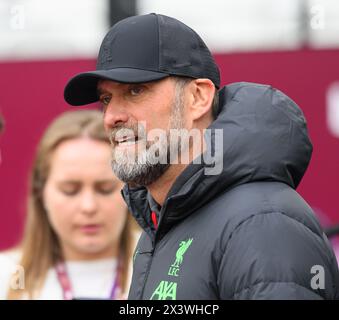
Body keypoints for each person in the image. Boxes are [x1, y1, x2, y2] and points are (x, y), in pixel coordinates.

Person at [64, 13, 339, 299]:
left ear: (198, 98)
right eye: (106, 99)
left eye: (135, 90)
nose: (111, 117)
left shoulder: (263, 224)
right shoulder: (162, 223)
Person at [0, 110, 138, 299]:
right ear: (41, 193)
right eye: (70, 190)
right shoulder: (5, 275)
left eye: (105, 189)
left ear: (131, 188)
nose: (88, 207)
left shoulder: (167, 266)